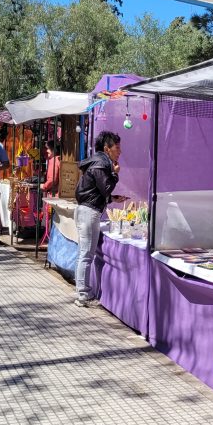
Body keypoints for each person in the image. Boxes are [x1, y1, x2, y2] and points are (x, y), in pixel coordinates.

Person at [73, 131, 127, 308]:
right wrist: (115, 174)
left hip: (87, 210)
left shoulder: (98, 162)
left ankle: (83, 291)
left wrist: (112, 199)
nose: (119, 152)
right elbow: (106, 187)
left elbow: (96, 191)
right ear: (107, 148)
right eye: (117, 148)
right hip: (89, 212)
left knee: (84, 253)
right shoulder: (101, 164)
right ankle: (83, 295)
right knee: (86, 254)